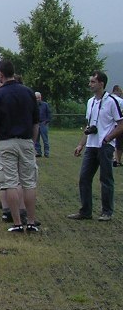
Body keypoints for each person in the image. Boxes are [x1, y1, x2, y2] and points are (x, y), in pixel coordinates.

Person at [0, 59, 40, 232]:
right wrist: (32, 142)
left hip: (5, 142)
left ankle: (17, 223)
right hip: (26, 140)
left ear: (0, 74)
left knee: (9, 182)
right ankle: (31, 222)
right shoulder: (29, 92)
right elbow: (36, 123)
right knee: (28, 183)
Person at [67, 70, 123, 222]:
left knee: (106, 179)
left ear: (101, 84)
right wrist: (81, 144)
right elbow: (89, 126)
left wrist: (108, 138)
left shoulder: (112, 101)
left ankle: (107, 212)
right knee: (84, 178)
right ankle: (85, 211)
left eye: (93, 82)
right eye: (90, 81)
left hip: (105, 146)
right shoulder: (90, 102)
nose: (90, 84)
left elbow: (121, 124)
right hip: (91, 146)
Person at [34, 91, 52, 157]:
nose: (37, 99)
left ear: (40, 97)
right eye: (36, 98)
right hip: (36, 124)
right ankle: (38, 152)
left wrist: (46, 121)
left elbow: (49, 114)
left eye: (38, 98)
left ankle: (46, 152)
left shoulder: (45, 105)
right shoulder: (33, 105)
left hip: (43, 124)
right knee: (36, 140)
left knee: (45, 139)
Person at [113, 85, 123, 167]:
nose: (121, 93)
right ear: (116, 90)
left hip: (109, 125)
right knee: (119, 143)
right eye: (120, 91)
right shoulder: (120, 101)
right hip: (118, 125)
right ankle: (118, 160)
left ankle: (113, 158)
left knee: (111, 142)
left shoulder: (107, 99)